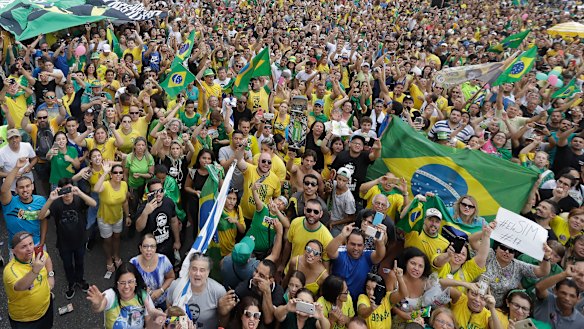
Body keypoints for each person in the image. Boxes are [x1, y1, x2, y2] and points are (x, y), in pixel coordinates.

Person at [38, 178, 96, 300]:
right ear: (59, 191)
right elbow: (41, 216)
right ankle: (71, 283)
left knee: (80, 262)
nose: (67, 194)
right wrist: (50, 199)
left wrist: (79, 192)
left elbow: (93, 203)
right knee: (67, 265)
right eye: (64, 191)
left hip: (80, 240)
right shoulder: (56, 204)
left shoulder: (78, 199)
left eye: (69, 190)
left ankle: (79, 280)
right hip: (64, 243)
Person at [167, 252, 234, 328]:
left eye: (202, 270)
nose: (197, 274)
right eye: (194, 269)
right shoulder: (176, 286)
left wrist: (223, 313)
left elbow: (223, 321)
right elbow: (169, 306)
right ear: (189, 270)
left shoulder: (218, 291)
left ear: (208, 272)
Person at [86, 262, 162, 329]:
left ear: (136, 282)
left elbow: (149, 325)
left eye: (130, 282)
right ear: (117, 284)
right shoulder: (111, 295)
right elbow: (99, 308)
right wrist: (97, 304)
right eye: (122, 283)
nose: (126, 286)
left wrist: (156, 320)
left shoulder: (143, 296)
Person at [3, 231, 55, 328]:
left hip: (46, 309)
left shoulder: (36, 255)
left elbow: (46, 258)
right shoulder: (10, 270)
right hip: (26, 321)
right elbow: (20, 286)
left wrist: (50, 275)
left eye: (30, 244)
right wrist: (35, 270)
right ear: (13, 251)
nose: (29, 249)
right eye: (23, 247)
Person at [327, 224, 386, 302]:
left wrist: (380, 242)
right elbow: (330, 252)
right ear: (346, 243)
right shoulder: (341, 252)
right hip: (338, 300)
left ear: (364, 246)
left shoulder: (367, 255)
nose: (356, 248)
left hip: (358, 302)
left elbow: (379, 255)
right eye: (352, 244)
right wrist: (342, 235)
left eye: (359, 245)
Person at [484, 241, 553, 308]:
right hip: (476, 300)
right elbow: (473, 242)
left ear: (514, 254)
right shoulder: (489, 254)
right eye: (503, 248)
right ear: (496, 248)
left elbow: (543, 271)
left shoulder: (518, 266)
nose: (507, 252)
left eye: (511, 251)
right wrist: (486, 232)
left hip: (498, 310)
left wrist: (546, 257)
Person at [0, 157, 47, 249]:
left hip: (36, 244)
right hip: (17, 248)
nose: (25, 189)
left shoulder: (41, 200)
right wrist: (17, 167)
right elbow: (4, 190)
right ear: (16, 190)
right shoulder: (10, 202)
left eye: (27, 186)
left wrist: (42, 241)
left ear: (32, 187)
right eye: (21, 187)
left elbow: (43, 221)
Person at [94, 162, 130, 277]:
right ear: (111, 174)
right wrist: (105, 172)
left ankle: (116, 255)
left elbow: (124, 202)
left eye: (121, 172)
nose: (118, 175)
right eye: (115, 173)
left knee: (117, 237)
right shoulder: (105, 185)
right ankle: (109, 258)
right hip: (104, 218)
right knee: (107, 240)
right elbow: (96, 189)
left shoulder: (124, 184)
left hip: (118, 217)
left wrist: (127, 215)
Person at [282, 200, 334, 275]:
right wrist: (282, 264)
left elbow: (325, 263)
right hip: (291, 272)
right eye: (309, 210)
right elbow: (288, 244)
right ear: (304, 210)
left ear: (321, 214)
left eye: (316, 212)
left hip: (310, 279)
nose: (311, 214)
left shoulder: (327, 237)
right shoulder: (295, 223)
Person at [136, 178, 181, 264]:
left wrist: (177, 241)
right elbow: (139, 228)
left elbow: (174, 222)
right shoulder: (143, 207)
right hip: (150, 250)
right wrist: (145, 212)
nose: (159, 194)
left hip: (167, 246)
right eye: (155, 192)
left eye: (161, 190)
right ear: (149, 194)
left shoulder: (169, 203)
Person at [130, 234, 175, 310]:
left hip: (162, 300)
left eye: (152, 246)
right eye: (145, 246)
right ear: (140, 248)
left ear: (156, 248)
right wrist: (141, 289)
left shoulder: (163, 260)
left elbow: (171, 277)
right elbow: (129, 283)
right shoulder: (133, 263)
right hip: (141, 302)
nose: (149, 249)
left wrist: (160, 290)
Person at [235, 259, 286, 325]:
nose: (255, 276)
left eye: (261, 276)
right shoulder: (243, 288)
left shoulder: (278, 291)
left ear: (271, 280)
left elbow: (268, 320)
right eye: (256, 271)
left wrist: (266, 292)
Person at [236, 150, 282, 221]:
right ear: (258, 161)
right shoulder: (250, 169)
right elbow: (238, 160)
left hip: (261, 217)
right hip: (244, 215)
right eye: (263, 161)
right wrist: (242, 147)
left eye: (269, 162)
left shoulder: (275, 179)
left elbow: (276, 196)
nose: (266, 164)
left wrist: (274, 203)